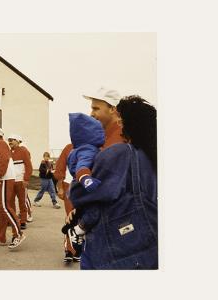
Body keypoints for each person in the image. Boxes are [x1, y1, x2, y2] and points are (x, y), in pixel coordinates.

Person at [68, 95, 158, 270]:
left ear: (128, 124)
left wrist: (76, 187)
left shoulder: (118, 153)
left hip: (116, 245)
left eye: (121, 120)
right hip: (150, 241)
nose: (118, 123)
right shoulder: (151, 156)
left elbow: (88, 194)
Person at [64, 87, 127, 261]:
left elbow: (105, 183)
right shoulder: (103, 138)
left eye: (96, 108)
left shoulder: (119, 139)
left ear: (113, 109)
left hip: (112, 223)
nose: (91, 114)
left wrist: (79, 198)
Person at [8, 134, 33, 229]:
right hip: (11, 181)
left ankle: (23, 221)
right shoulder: (8, 152)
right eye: (9, 140)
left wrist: (26, 179)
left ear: (18, 141)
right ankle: (13, 219)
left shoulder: (23, 151)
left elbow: (29, 166)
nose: (10, 142)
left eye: (12, 140)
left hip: (21, 181)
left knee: (22, 202)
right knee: (10, 202)